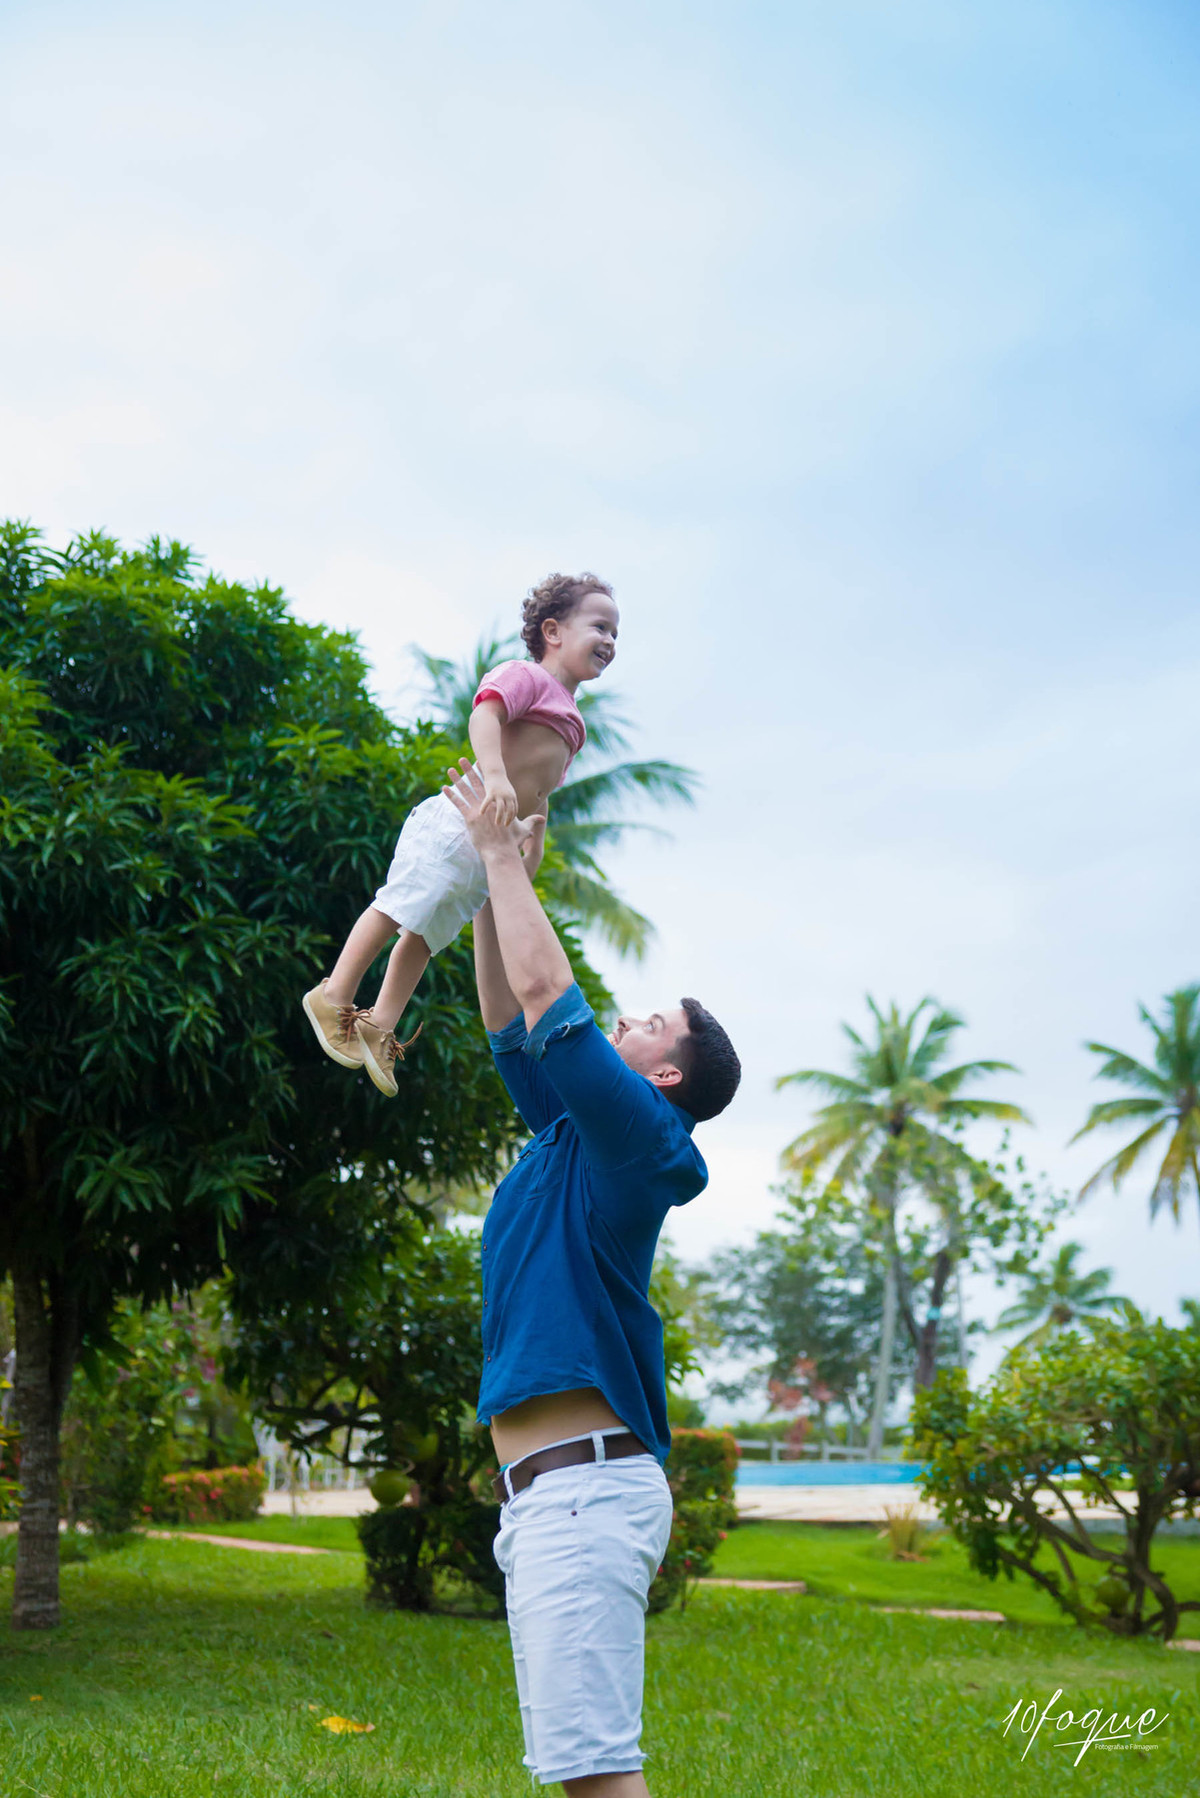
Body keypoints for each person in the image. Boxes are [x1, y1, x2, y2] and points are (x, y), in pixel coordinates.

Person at [442, 760, 741, 1796]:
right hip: (546, 1501)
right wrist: (491, 889)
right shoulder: (572, 1131)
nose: (628, 1018)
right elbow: (507, 1017)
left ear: (665, 1074)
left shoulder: (639, 1133)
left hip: (583, 1494)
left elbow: (545, 992)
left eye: (652, 1024)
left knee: (597, 1779)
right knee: (581, 1773)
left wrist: (496, 849)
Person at [301, 573, 618, 1094]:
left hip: (489, 842)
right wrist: (493, 775)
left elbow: (538, 786)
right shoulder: (526, 676)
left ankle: (378, 1025)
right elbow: (486, 712)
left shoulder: (575, 721)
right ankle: (335, 992)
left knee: (424, 935)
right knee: (399, 905)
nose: (609, 640)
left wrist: (529, 837)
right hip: (459, 820)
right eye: (600, 626)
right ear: (554, 630)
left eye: (615, 634)